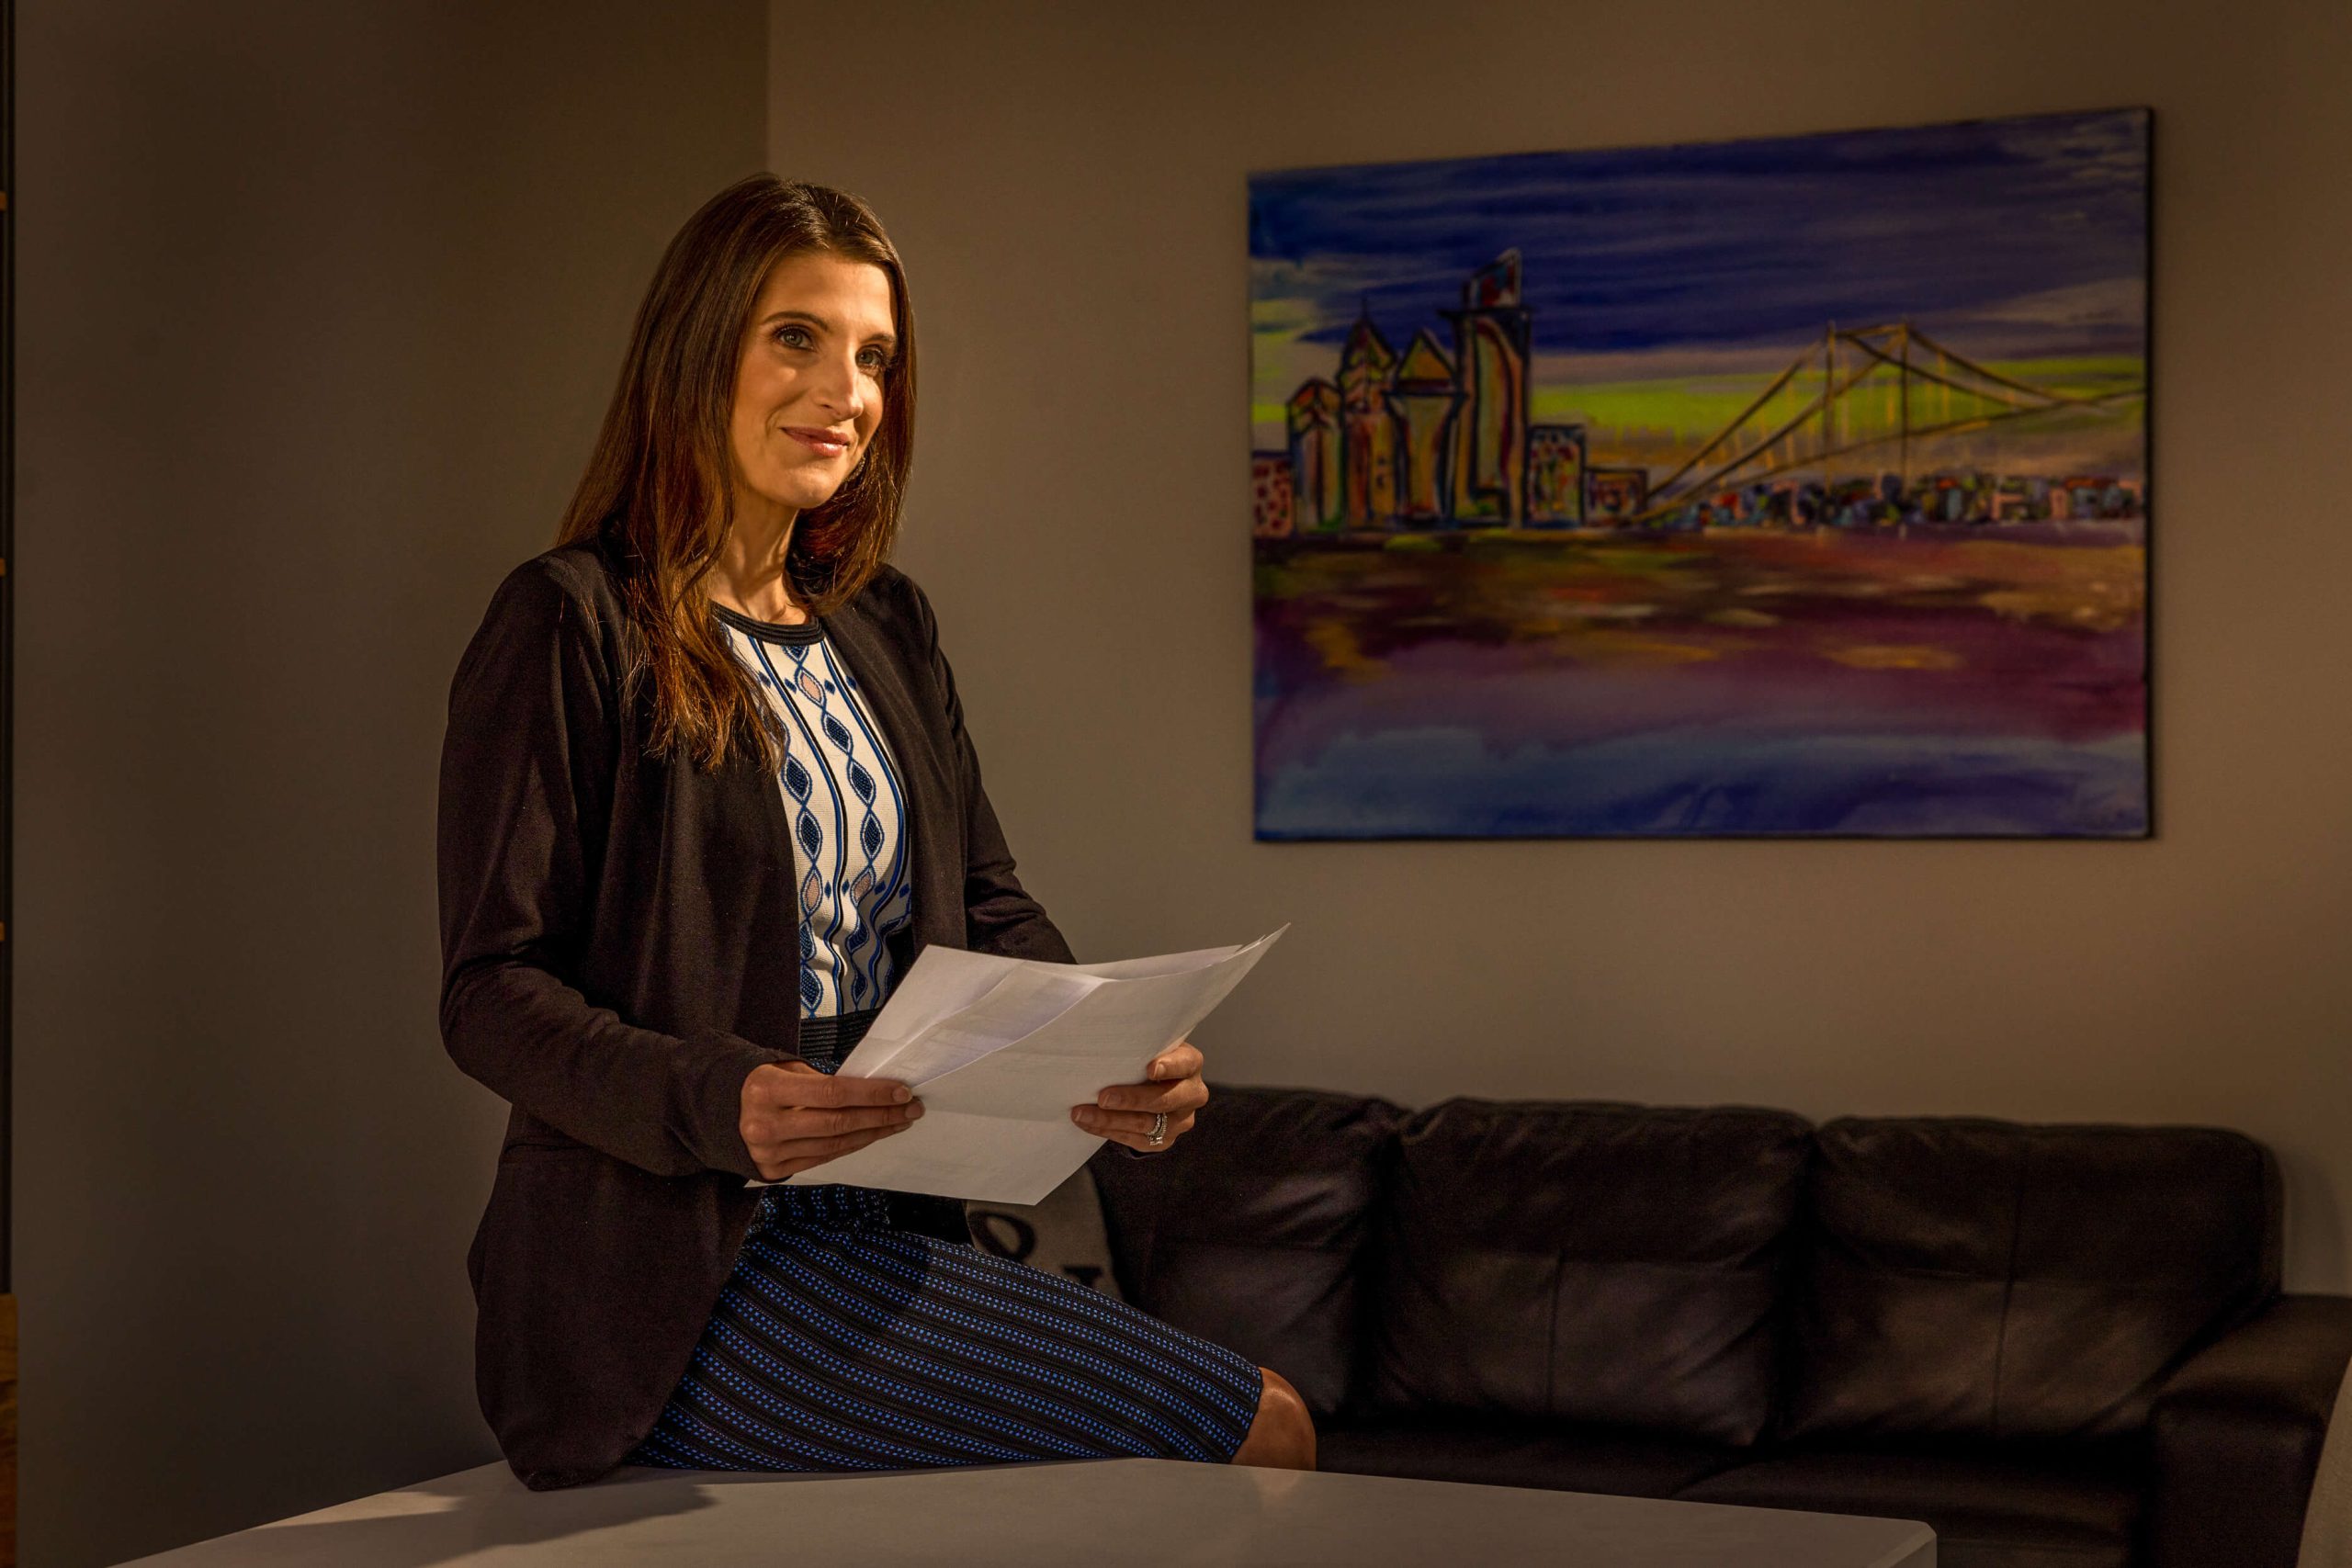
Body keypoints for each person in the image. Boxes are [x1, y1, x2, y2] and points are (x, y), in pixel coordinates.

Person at [435, 175, 1315, 1490]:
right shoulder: (567, 622)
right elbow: (489, 993)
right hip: (672, 1289)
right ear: (698, 350)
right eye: (796, 337)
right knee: (1263, 1429)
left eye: (876, 357)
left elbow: (989, 901)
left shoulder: (885, 623)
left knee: (1217, 1450)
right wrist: (716, 1099)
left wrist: (1113, 1051)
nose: (844, 392)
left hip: (887, 1222)